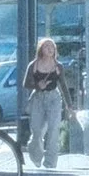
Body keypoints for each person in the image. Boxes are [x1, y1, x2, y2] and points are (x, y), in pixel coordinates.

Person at [21, 35, 68, 168]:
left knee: (53, 131)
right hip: (38, 98)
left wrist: (69, 106)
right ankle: (36, 156)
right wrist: (37, 85)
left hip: (54, 98)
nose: (50, 49)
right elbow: (26, 83)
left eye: (52, 47)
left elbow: (63, 86)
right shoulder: (34, 65)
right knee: (37, 131)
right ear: (41, 49)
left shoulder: (58, 66)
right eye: (47, 46)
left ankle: (50, 163)